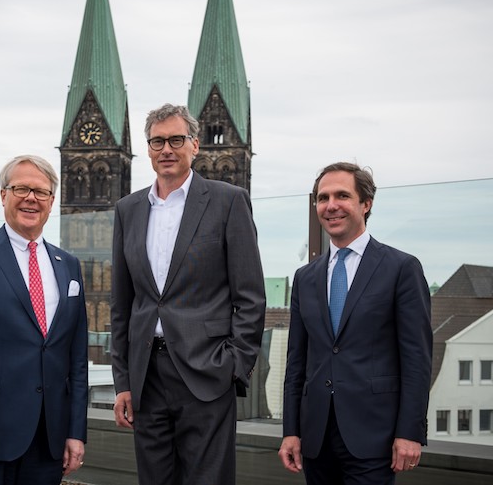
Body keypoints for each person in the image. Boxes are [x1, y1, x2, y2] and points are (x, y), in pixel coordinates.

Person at [111, 104, 267, 485]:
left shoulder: (228, 200)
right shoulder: (128, 209)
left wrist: (233, 364)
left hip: (206, 370)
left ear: (195, 145)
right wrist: (123, 381)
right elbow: (122, 304)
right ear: (148, 149)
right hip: (146, 375)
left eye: (176, 140)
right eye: (157, 141)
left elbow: (250, 296)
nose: (166, 149)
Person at [279, 162, 432, 484]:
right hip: (315, 438)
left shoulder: (401, 268)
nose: (331, 205)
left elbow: (417, 359)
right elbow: (296, 363)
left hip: (375, 437)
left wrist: (410, 432)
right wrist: (291, 430)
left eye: (342, 196)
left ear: (366, 203)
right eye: (322, 198)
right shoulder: (305, 278)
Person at [0, 155, 88, 485]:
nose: (30, 198)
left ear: (52, 201)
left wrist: (76, 432)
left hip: (48, 440)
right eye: (21, 188)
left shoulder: (68, 264)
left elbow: (76, 359)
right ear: (3, 195)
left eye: (40, 192)